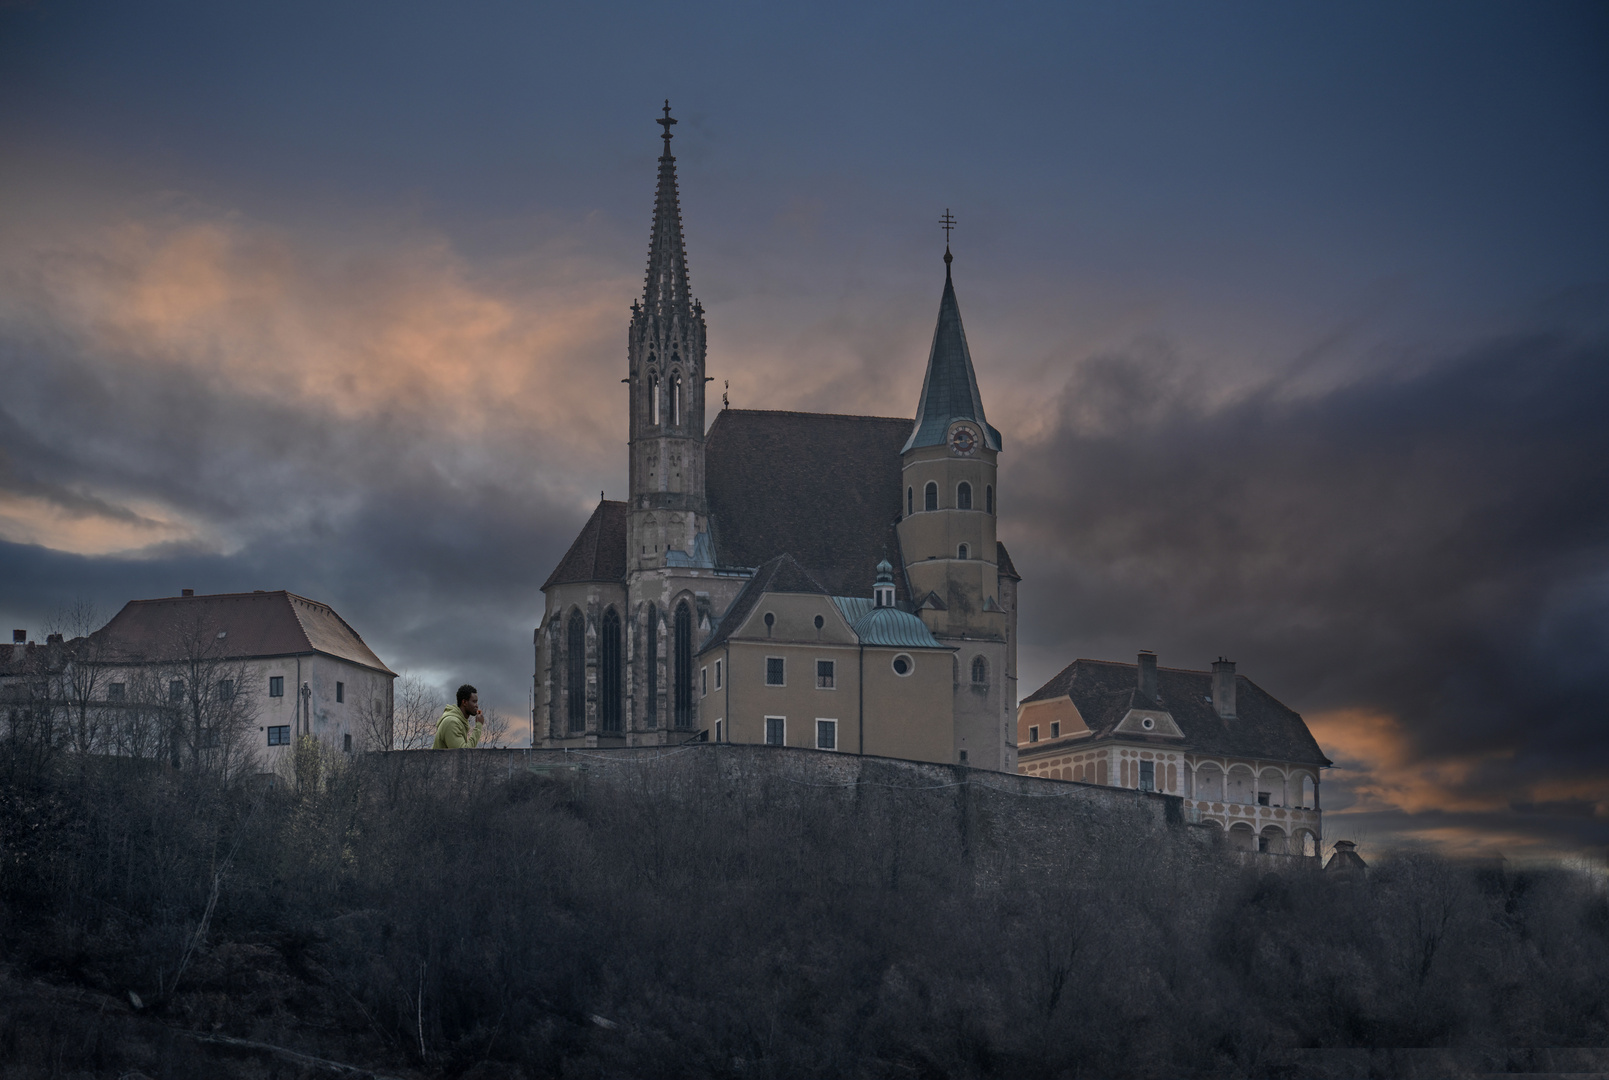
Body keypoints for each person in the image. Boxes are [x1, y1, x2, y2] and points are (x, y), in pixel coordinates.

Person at [433, 684, 484, 749]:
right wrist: (478, 726)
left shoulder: (460, 722)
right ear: (464, 702)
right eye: (474, 702)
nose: (476, 706)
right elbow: (463, 754)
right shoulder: (452, 722)